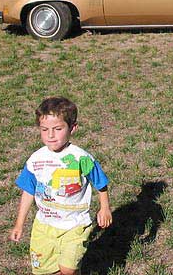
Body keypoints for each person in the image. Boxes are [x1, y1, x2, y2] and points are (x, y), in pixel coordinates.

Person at [9, 97, 112, 275]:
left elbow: (100, 183)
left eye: (57, 129)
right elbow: (28, 192)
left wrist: (105, 208)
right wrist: (19, 224)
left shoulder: (81, 158)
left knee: (67, 269)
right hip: (44, 225)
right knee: (46, 271)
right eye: (44, 129)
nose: (50, 135)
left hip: (75, 223)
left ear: (72, 128)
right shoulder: (36, 160)